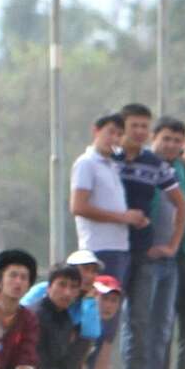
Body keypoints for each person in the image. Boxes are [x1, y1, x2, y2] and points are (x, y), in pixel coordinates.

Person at [121, 110, 185, 369]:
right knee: (137, 323)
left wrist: (173, 245)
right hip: (139, 253)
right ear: (154, 139)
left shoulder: (172, 172)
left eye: (177, 140)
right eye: (166, 139)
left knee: (162, 326)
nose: (171, 145)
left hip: (167, 259)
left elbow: (183, 208)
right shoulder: (132, 164)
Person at [69, 111, 139, 287]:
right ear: (96, 131)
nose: (114, 138)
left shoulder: (112, 166)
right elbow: (78, 206)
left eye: (119, 135)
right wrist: (122, 217)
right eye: (110, 132)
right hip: (99, 247)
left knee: (114, 306)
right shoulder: (86, 163)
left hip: (119, 246)